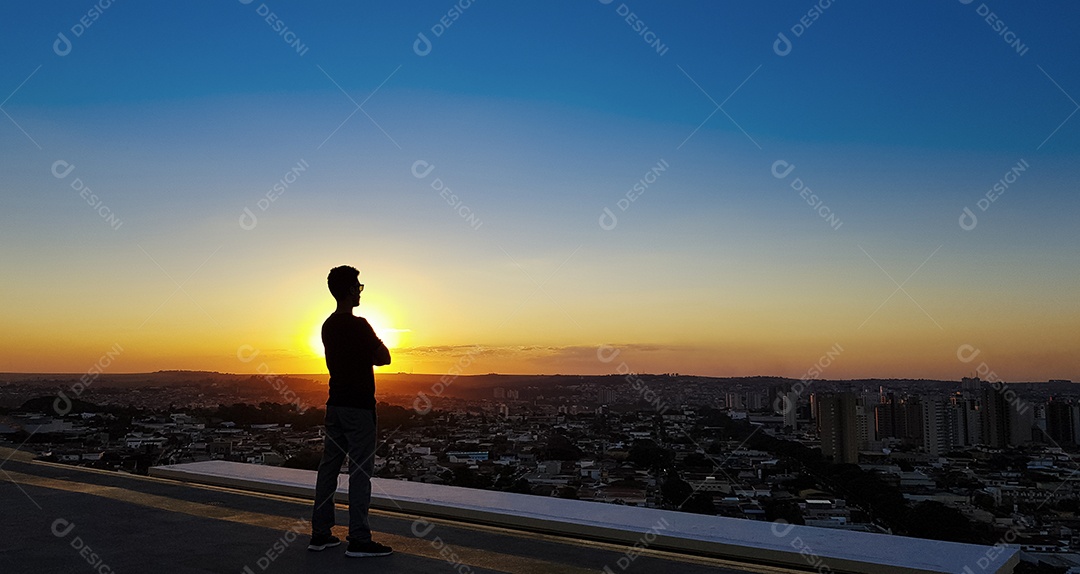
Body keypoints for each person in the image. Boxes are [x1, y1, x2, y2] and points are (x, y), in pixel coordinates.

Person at [309, 265, 393, 557]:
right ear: (348, 290)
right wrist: (371, 348)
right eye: (357, 286)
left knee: (328, 468)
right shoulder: (360, 326)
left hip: (335, 406)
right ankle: (358, 539)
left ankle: (320, 533)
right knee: (360, 473)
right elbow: (385, 358)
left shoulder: (327, 326)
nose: (360, 291)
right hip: (359, 407)